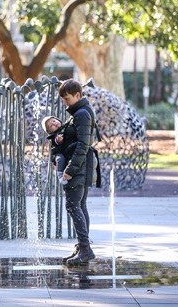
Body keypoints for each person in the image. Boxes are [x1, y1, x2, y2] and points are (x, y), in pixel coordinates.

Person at [58, 79, 100, 266]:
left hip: (80, 168)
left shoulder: (82, 114)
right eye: (63, 100)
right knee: (80, 206)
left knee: (73, 206)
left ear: (78, 95)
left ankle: (85, 248)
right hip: (83, 166)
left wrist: (70, 170)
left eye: (67, 99)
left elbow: (83, 145)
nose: (65, 103)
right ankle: (82, 247)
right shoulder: (80, 112)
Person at [41, 116, 73, 186]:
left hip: (66, 151)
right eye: (51, 126)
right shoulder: (56, 134)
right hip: (58, 153)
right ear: (49, 131)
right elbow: (56, 141)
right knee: (60, 159)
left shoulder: (65, 126)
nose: (54, 124)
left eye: (54, 121)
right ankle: (60, 175)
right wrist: (58, 140)